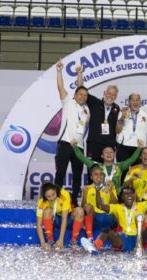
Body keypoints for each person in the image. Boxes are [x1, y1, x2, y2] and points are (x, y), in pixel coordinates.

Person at [80, 184, 147, 254]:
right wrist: (97, 191)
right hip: (123, 240)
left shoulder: (142, 205)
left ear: (134, 195)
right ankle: (94, 247)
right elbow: (100, 206)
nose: (129, 196)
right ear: (122, 197)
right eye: (126, 194)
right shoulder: (117, 207)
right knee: (106, 230)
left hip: (139, 239)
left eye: (131, 193)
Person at [55, 60, 90, 207]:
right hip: (65, 143)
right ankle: (56, 198)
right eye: (80, 94)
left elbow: (81, 86)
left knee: (77, 175)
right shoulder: (68, 102)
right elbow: (60, 87)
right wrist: (59, 71)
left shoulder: (87, 110)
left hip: (79, 147)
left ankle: (74, 201)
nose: (82, 96)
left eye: (85, 95)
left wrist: (80, 74)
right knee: (60, 172)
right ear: (75, 95)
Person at [77, 67, 120, 164]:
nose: (110, 96)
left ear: (116, 97)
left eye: (113, 95)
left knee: (108, 173)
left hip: (109, 146)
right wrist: (80, 73)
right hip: (93, 144)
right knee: (92, 170)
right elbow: (81, 89)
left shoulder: (117, 109)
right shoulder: (94, 102)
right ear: (104, 93)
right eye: (109, 93)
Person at [71, 139, 142, 194]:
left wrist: (139, 148)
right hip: (100, 197)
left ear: (114, 155)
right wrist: (74, 147)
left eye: (111, 152)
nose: (109, 154)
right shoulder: (96, 166)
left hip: (116, 197)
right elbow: (82, 157)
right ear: (102, 155)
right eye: (106, 152)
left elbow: (132, 159)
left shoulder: (120, 166)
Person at [36, 182, 85, 250]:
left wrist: (61, 239)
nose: (52, 198)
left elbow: (64, 219)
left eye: (53, 194)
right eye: (48, 197)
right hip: (56, 220)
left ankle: (73, 240)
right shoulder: (42, 201)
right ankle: (50, 240)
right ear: (44, 196)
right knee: (47, 211)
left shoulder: (64, 194)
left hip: (69, 219)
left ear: (56, 190)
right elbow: (39, 224)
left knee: (80, 211)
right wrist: (42, 242)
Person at [115, 93, 147, 180]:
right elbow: (117, 130)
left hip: (138, 148)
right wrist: (122, 117)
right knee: (122, 173)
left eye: (137, 100)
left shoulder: (145, 114)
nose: (135, 102)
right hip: (123, 146)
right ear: (129, 102)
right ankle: (120, 193)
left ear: (140, 102)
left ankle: (136, 193)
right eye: (133, 100)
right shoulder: (122, 112)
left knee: (137, 174)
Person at [81, 165, 118, 240]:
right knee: (88, 207)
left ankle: (111, 235)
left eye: (101, 174)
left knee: (113, 215)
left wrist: (110, 191)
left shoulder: (109, 187)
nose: (98, 176)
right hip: (95, 218)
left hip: (107, 217)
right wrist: (84, 195)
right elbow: (83, 208)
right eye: (95, 174)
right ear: (91, 177)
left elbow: (116, 204)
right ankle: (90, 238)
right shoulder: (87, 189)